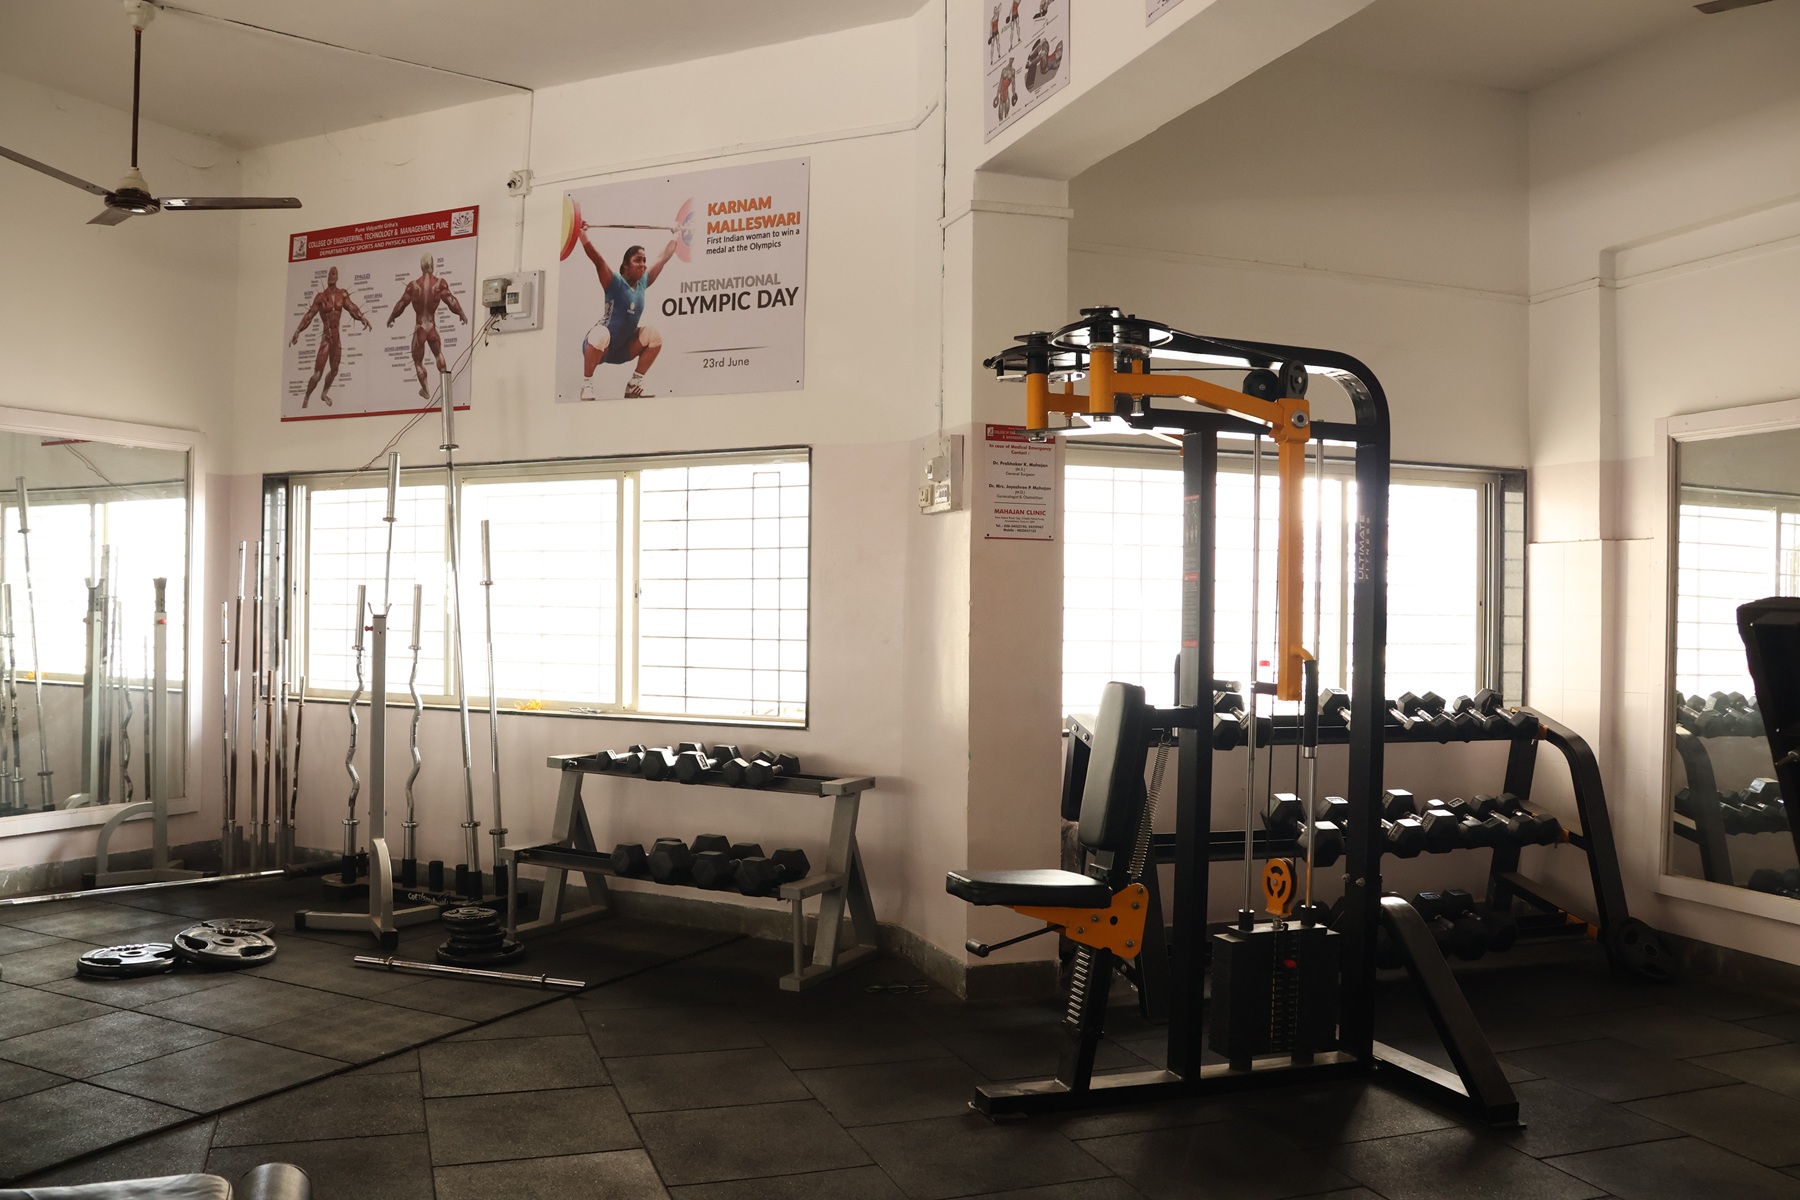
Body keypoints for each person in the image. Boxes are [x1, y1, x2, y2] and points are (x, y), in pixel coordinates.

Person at [577, 228, 677, 400]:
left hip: (624, 349)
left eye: (644, 260)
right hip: (601, 347)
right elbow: (598, 260)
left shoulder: (642, 284)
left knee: (653, 335)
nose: (643, 264)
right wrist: (582, 235)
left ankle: (634, 384)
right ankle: (586, 384)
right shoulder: (615, 283)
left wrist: (676, 234)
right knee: (600, 333)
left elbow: (663, 258)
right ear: (625, 265)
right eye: (637, 260)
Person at [386, 252, 467, 401]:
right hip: (431, 327)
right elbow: (451, 301)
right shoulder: (439, 284)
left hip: (420, 328)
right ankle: (445, 387)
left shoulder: (413, 286)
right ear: (433, 265)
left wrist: (392, 317)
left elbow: (401, 304)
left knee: (418, 362)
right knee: (438, 354)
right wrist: (461, 313)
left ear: (421, 266)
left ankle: (426, 390)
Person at [289, 265, 370, 408]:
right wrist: (298, 330)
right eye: (330, 274)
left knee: (334, 370)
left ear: (337, 277)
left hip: (336, 339)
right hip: (326, 338)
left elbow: (352, 308)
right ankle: (306, 397)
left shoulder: (342, 294)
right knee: (317, 374)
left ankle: (324, 394)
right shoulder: (320, 297)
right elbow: (309, 315)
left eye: (334, 273)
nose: (331, 276)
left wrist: (362, 317)